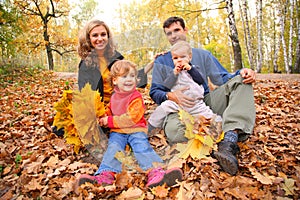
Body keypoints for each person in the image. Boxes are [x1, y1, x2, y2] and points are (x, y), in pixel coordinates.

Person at [150, 16, 256, 176]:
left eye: (177, 30)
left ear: (185, 30)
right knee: (174, 132)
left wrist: (241, 72)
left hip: (203, 102)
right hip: (178, 109)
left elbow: (221, 78)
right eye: (169, 33)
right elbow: (155, 91)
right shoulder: (162, 60)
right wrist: (170, 95)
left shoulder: (203, 55)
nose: (173, 35)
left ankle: (229, 140)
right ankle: (211, 139)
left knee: (241, 81)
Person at [77, 60, 183, 188]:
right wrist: (103, 116)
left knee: (141, 146)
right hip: (118, 132)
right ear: (115, 80)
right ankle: (105, 174)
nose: (129, 79)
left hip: (135, 130)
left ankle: (156, 172)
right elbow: (109, 110)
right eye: (124, 76)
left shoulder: (136, 97)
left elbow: (131, 118)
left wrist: (109, 121)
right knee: (113, 148)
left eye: (132, 76)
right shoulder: (114, 96)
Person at [53, 19, 153, 135]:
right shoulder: (86, 63)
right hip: (97, 105)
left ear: (108, 37)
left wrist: (151, 64)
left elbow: (130, 78)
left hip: (118, 102)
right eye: (95, 35)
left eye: (103, 34)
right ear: (89, 39)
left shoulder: (117, 57)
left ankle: (109, 122)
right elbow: (84, 92)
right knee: (61, 127)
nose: (100, 39)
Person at [148, 40, 221, 133]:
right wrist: (174, 74)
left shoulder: (195, 69)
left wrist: (191, 69)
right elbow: (166, 86)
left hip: (196, 104)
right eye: (175, 58)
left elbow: (201, 80)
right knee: (163, 108)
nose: (179, 60)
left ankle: (221, 127)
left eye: (182, 57)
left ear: (189, 57)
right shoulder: (173, 72)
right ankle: (151, 126)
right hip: (178, 104)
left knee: (210, 116)